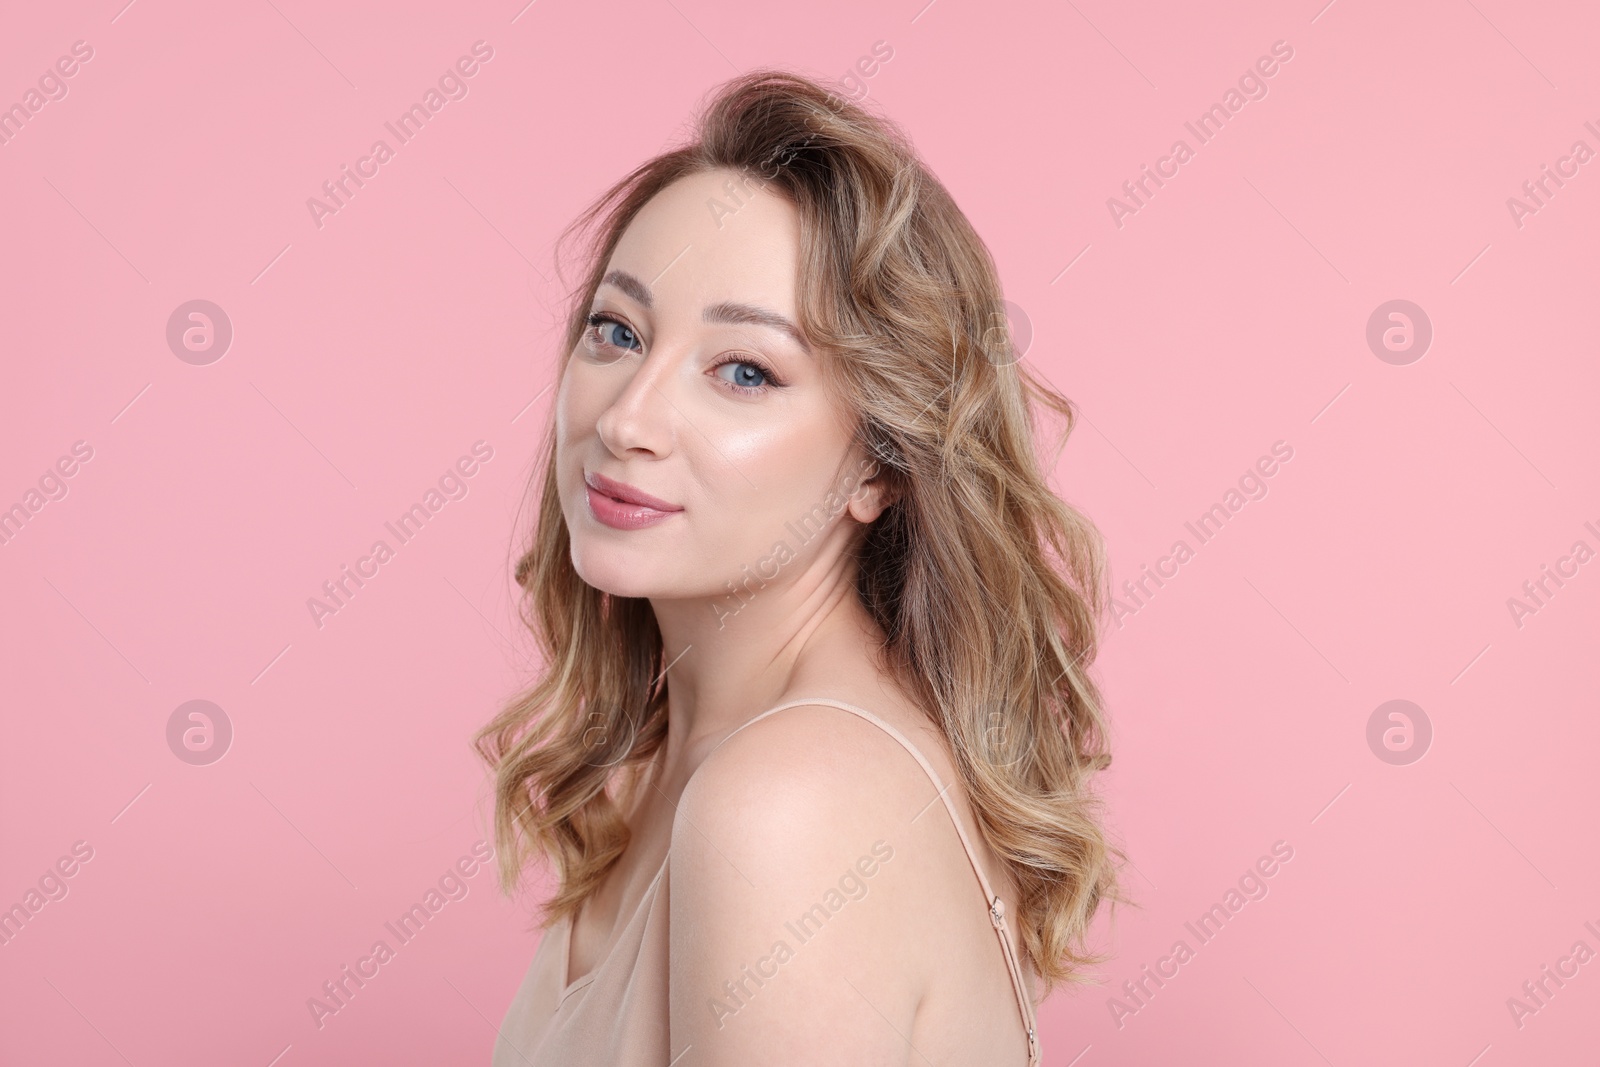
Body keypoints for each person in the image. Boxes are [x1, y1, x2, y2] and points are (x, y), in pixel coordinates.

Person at [475, 68, 1123, 1066]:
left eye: (745, 371)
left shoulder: (786, 804)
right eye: (617, 330)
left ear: (879, 464)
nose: (627, 418)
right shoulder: (680, 773)